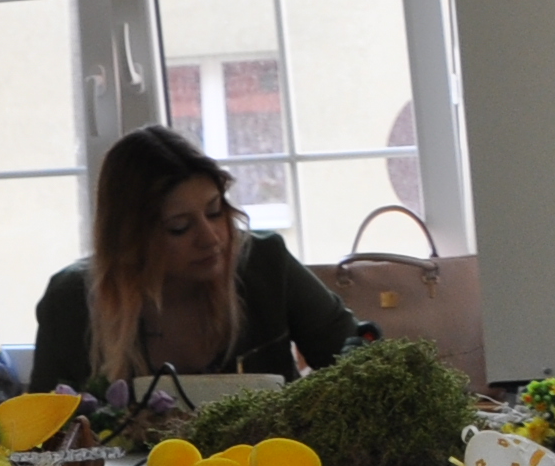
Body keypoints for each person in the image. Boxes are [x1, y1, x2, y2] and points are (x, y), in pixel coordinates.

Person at [19, 127, 359, 398]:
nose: (211, 238)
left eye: (215, 212)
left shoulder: (264, 262)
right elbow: (44, 434)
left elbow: (359, 361)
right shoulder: (72, 300)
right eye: (179, 227)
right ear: (130, 239)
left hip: (269, 462)